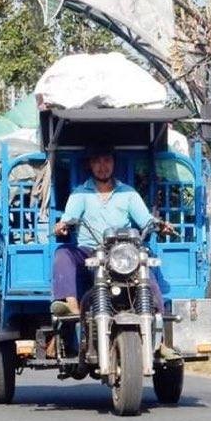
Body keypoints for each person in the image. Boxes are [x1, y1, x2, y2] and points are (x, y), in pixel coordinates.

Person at [50, 145, 179, 358]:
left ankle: (160, 340)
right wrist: (62, 225)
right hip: (89, 251)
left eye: (107, 161)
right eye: (98, 162)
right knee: (63, 254)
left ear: (113, 164)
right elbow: (68, 217)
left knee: (147, 272)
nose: (103, 167)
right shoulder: (81, 193)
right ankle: (71, 306)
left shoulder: (127, 193)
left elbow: (145, 219)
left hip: (122, 252)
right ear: (90, 165)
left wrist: (159, 225)